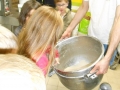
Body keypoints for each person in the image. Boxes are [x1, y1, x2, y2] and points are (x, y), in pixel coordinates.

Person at [61, 0, 120, 74]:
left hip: (109, 41)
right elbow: (83, 7)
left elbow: (118, 19)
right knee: (87, 70)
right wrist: (69, 29)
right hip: (92, 36)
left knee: (97, 71)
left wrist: (107, 58)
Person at [18, 6, 63, 76]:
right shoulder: (41, 61)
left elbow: (50, 47)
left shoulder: (26, 40)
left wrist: (56, 55)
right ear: (51, 36)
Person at [91, 7, 120, 75]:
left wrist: (107, 58)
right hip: (93, 36)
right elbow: (84, 6)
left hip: (108, 40)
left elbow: (118, 21)